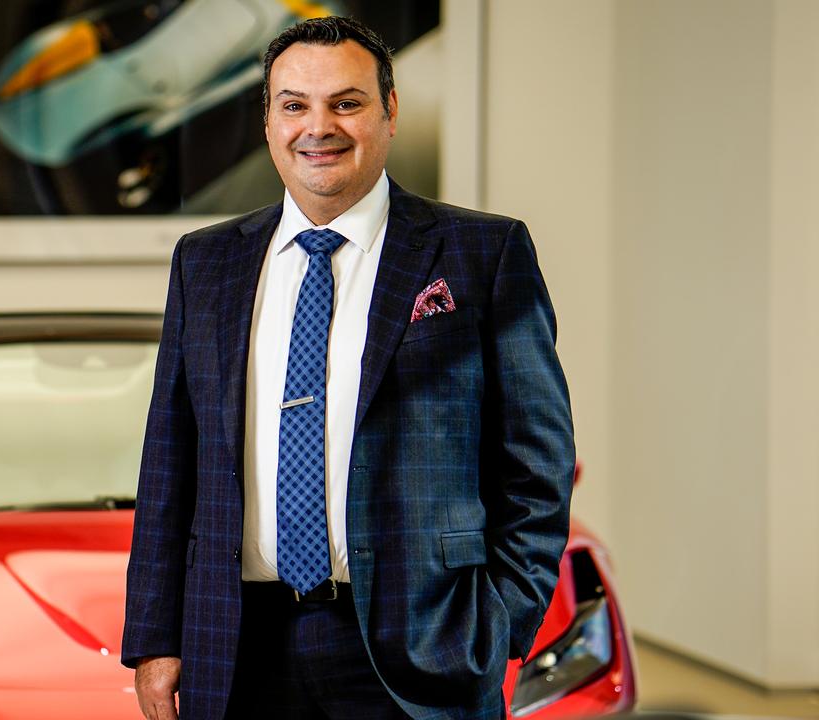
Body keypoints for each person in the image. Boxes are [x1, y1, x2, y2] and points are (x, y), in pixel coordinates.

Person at [122, 15, 574, 720]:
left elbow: (537, 463)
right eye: (294, 104)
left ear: (390, 111)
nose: (318, 126)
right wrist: (154, 638)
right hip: (235, 648)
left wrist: (499, 624)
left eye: (347, 102)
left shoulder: (483, 254)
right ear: (267, 121)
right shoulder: (205, 263)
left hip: (423, 647)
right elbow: (169, 463)